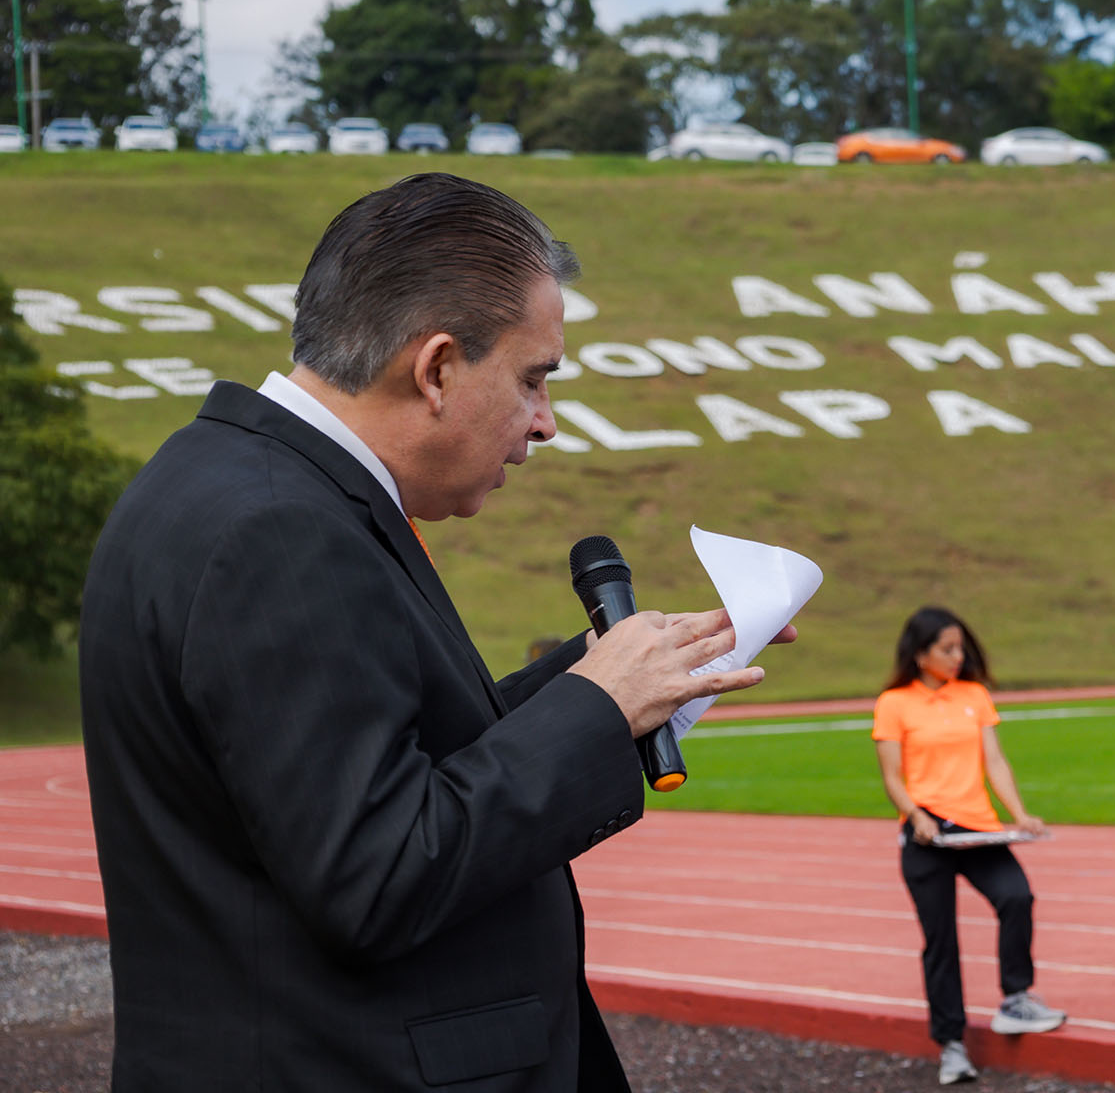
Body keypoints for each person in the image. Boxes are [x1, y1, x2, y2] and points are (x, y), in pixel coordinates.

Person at [79, 173, 788, 1091]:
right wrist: (595, 709)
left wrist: (634, 673)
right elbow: (377, 873)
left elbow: (381, 760)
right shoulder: (278, 532)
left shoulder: (233, 480)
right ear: (438, 368)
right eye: (533, 380)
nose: (546, 423)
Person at [871, 607, 1066, 1085]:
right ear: (920, 655)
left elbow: (995, 761)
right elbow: (893, 777)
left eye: (962, 648)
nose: (958, 657)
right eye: (947, 649)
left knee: (1016, 896)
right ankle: (952, 1046)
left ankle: (1015, 999)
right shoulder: (894, 703)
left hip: (977, 828)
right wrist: (915, 815)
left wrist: (1020, 814)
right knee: (941, 942)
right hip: (928, 834)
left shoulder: (974, 696)